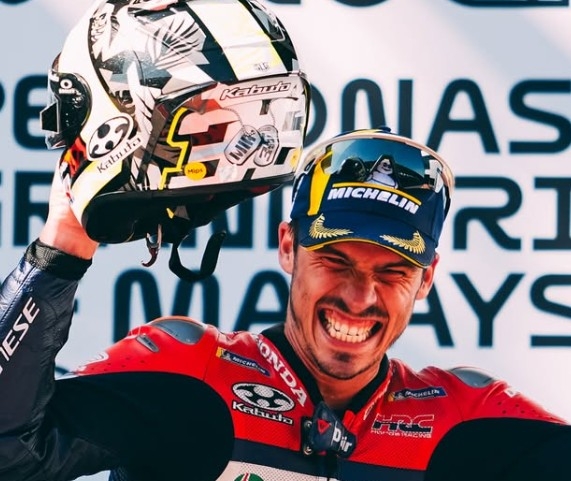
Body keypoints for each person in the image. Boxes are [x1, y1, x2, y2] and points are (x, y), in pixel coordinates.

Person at [1, 4, 571, 481]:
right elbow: (13, 453)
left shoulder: (467, 423)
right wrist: (64, 242)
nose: (358, 297)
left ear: (426, 279)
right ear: (288, 246)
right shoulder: (190, 377)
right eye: (336, 259)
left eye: (392, 272)